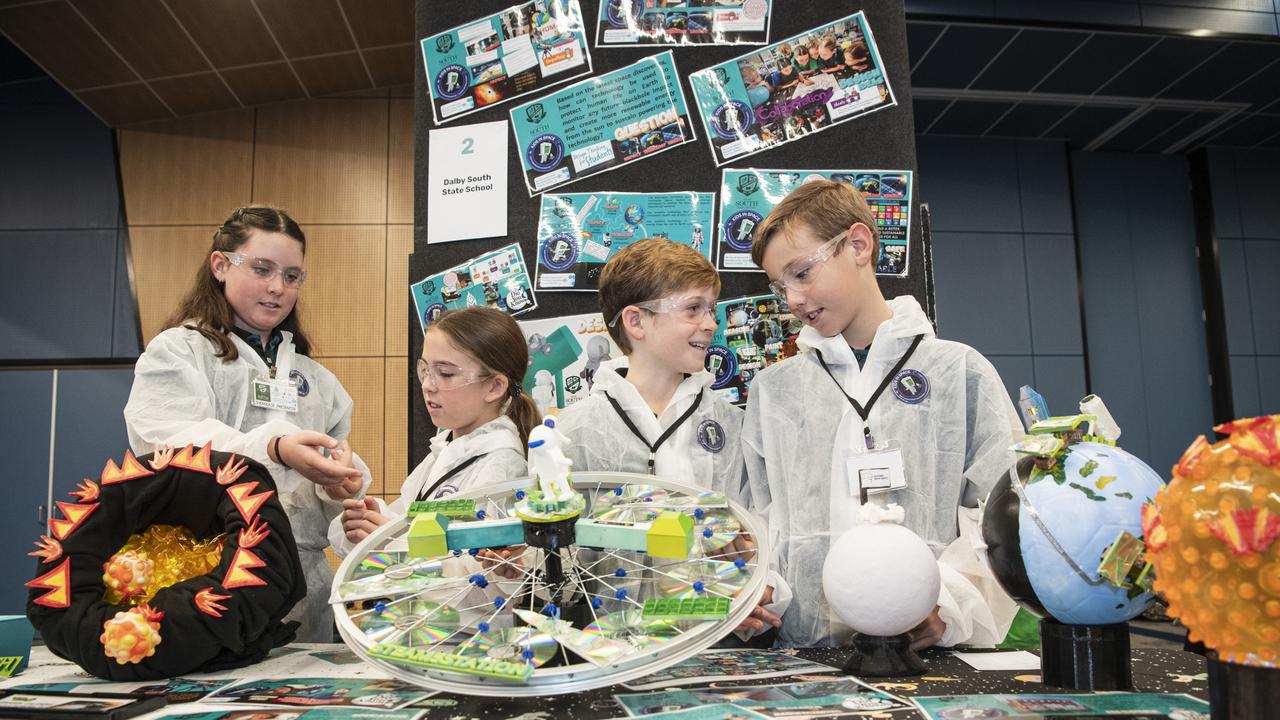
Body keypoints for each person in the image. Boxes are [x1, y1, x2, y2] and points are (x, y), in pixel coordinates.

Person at [742, 180, 1023, 649]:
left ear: (857, 245)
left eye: (802, 273)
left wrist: (948, 602)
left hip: (927, 651)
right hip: (809, 652)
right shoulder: (775, 391)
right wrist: (763, 586)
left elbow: (1000, 514)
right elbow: (758, 520)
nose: (791, 300)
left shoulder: (958, 371)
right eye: (779, 286)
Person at [124, 205, 370, 643]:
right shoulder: (179, 353)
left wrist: (339, 489)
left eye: (292, 276)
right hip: (203, 574)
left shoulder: (317, 382)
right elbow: (167, 443)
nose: (278, 287)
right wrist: (274, 448)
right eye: (262, 269)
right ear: (220, 265)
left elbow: (333, 501)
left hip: (302, 584)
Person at [333, 307, 536, 556]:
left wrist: (396, 543)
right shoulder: (448, 447)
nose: (428, 385)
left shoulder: (501, 465)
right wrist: (372, 521)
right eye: (425, 370)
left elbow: (481, 574)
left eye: (446, 373)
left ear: (494, 386)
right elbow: (411, 518)